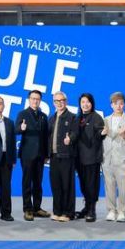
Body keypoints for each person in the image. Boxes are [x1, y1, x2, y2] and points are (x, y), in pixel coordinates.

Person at [15, 90, 51, 221]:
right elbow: (16, 130)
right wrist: (21, 128)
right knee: (27, 182)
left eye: (37, 99)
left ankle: (37, 208)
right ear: (29, 99)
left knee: (38, 183)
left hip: (40, 155)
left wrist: (46, 154)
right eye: (33, 98)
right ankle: (27, 209)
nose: (35, 101)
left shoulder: (43, 116)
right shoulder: (22, 114)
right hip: (27, 154)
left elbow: (46, 137)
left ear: (40, 100)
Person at [102, 92, 125, 222]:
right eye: (115, 103)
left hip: (123, 158)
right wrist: (101, 134)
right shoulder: (105, 120)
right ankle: (111, 210)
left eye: (121, 103)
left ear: (124, 105)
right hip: (107, 158)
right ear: (111, 105)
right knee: (109, 186)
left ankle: (123, 211)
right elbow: (102, 138)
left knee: (123, 187)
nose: (118, 106)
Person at [74, 93, 105, 222]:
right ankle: (86, 207)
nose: (85, 104)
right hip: (79, 158)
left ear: (92, 103)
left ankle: (92, 210)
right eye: (83, 102)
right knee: (83, 184)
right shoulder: (77, 118)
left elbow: (100, 133)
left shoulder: (96, 117)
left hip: (92, 157)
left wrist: (102, 133)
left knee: (92, 184)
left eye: (88, 102)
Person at [47, 91, 78, 222]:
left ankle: (68, 213)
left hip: (67, 156)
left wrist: (70, 139)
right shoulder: (51, 118)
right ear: (53, 103)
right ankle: (57, 211)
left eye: (62, 100)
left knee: (67, 185)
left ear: (66, 101)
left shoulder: (72, 117)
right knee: (56, 185)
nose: (59, 103)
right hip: (54, 157)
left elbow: (76, 133)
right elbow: (48, 137)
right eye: (57, 101)